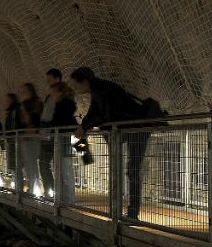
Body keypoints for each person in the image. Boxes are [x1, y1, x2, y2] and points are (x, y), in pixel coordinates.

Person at [71, 67, 151, 220]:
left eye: (76, 85)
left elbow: (104, 115)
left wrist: (84, 126)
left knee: (132, 170)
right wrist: (83, 126)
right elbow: (94, 112)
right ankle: (120, 211)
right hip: (129, 129)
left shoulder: (102, 90)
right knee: (123, 169)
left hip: (138, 128)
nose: (75, 88)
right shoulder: (98, 89)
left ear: (85, 82)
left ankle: (131, 214)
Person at [48, 82, 77, 204]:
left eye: (53, 92)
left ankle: (68, 201)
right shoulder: (65, 104)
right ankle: (65, 199)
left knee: (65, 170)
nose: (52, 95)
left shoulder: (64, 104)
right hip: (63, 139)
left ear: (59, 92)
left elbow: (60, 122)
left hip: (64, 139)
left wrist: (48, 127)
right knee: (63, 170)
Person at [39, 68, 63, 199]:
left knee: (46, 164)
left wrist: (48, 126)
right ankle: (51, 192)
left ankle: (53, 193)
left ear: (57, 78)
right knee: (44, 164)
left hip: (53, 135)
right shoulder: (50, 96)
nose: (47, 82)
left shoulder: (60, 95)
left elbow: (54, 116)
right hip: (47, 135)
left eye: (49, 79)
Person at [20, 83, 43, 195]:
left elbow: (34, 120)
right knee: (28, 164)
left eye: (25, 91)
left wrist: (30, 130)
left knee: (32, 164)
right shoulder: (23, 105)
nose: (23, 94)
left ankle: (34, 189)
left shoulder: (36, 103)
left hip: (33, 137)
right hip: (26, 137)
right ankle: (32, 187)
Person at [3, 93, 22, 182]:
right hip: (12, 140)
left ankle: (18, 187)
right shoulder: (10, 112)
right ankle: (16, 185)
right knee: (14, 164)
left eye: (7, 100)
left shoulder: (16, 111)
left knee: (17, 164)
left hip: (16, 140)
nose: (6, 102)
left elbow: (15, 125)